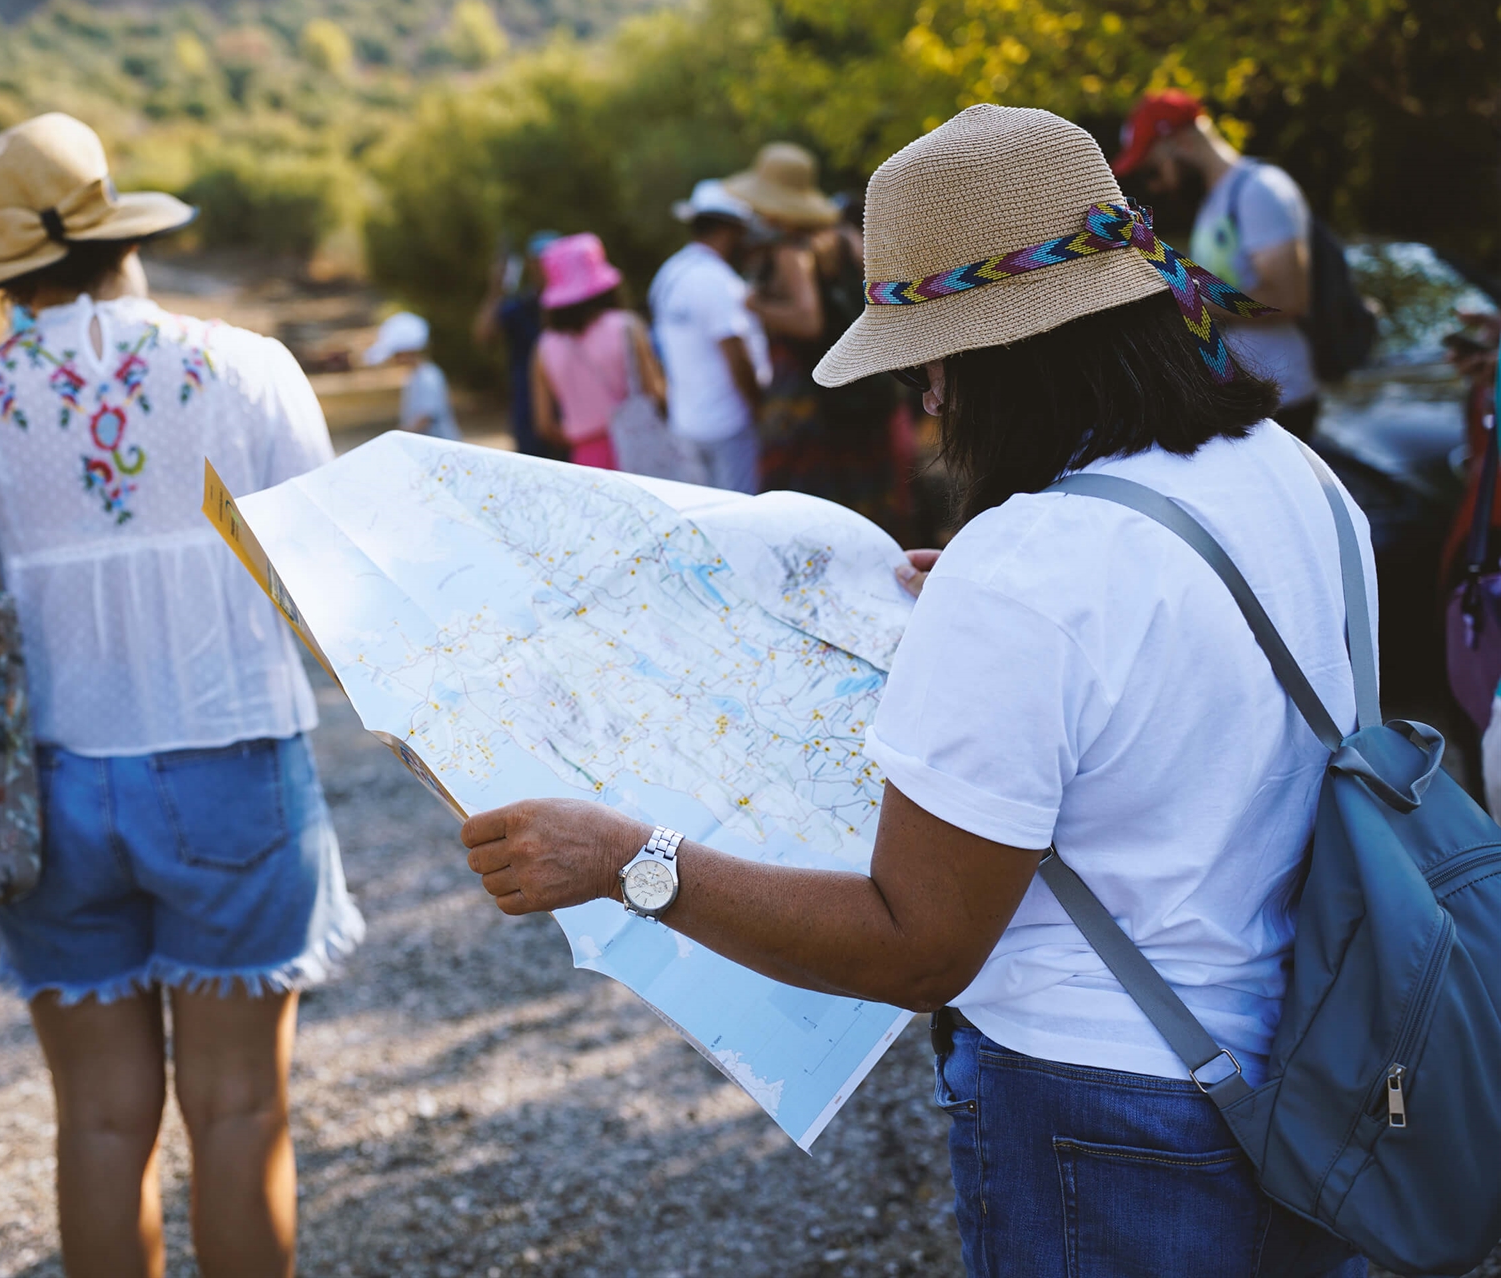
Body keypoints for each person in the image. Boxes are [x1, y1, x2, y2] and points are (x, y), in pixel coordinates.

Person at [460, 105, 1370, 1278]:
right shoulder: (1293, 475)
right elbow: (1197, 679)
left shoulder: (1029, 562)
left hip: (1105, 1122)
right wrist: (1001, 627)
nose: (927, 405)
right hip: (1310, 1070)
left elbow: (916, 944)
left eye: (931, 368)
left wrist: (630, 858)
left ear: (999, 356)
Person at [0, 113, 362, 1278]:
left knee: (101, 1119)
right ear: (122, 232)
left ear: (6, 267)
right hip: (233, 764)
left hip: (48, 786)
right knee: (240, 1110)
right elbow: (322, 572)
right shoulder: (246, 366)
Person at [726, 143, 916, 539]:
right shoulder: (845, 238)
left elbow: (807, 320)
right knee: (867, 500)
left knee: (809, 505)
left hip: (809, 396)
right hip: (857, 385)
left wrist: (756, 305)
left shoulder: (789, 250)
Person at [1115, 89, 1323, 437]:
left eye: (1154, 169)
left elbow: (1289, 296)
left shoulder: (1259, 190)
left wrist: (1184, 302)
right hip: (1249, 398)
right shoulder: (1217, 200)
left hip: (1283, 402)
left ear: (1181, 141)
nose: (1160, 184)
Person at [648, 180, 770, 493]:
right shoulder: (717, 281)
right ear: (730, 230)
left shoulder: (668, 275)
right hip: (728, 423)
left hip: (686, 420)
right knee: (739, 516)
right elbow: (735, 353)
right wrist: (758, 405)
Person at [529, 233, 667, 470]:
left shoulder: (544, 346)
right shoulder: (626, 327)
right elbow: (655, 391)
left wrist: (581, 438)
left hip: (585, 460)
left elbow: (544, 425)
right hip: (638, 451)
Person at [474, 229, 564, 459]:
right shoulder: (521, 307)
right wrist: (496, 288)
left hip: (573, 416)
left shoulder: (576, 309)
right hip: (530, 415)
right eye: (539, 261)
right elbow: (483, 335)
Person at [366, 311, 461, 440]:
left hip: (438, 449)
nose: (394, 359)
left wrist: (400, 436)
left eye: (396, 354)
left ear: (407, 351)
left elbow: (425, 418)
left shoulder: (428, 377)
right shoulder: (415, 375)